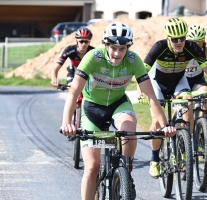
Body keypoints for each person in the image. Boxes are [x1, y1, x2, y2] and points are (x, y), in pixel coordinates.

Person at [60, 22, 176, 200]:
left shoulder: (133, 60)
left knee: (129, 131)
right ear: (105, 45)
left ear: (128, 48)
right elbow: (74, 91)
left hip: (118, 105)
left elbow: (151, 96)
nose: (117, 53)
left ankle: (125, 173)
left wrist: (165, 125)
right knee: (92, 167)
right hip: (92, 109)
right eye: (113, 48)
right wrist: (67, 122)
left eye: (122, 48)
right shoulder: (93, 57)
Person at [143, 17, 207, 179]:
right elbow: (142, 73)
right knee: (157, 122)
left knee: (187, 102)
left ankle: (183, 145)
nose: (179, 42)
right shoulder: (159, 47)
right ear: (168, 38)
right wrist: (143, 92)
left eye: (182, 38)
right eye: (175, 39)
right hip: (157, 83)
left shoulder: (191, 47)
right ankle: (154, 160)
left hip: (178, 82)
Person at [185, 24, 207, 93]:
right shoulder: (181, 49)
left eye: (199, 42)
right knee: (186, 101)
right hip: (182, 80)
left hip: (198, 80)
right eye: (192, 43)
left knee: (204, 93)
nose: (196, 46)